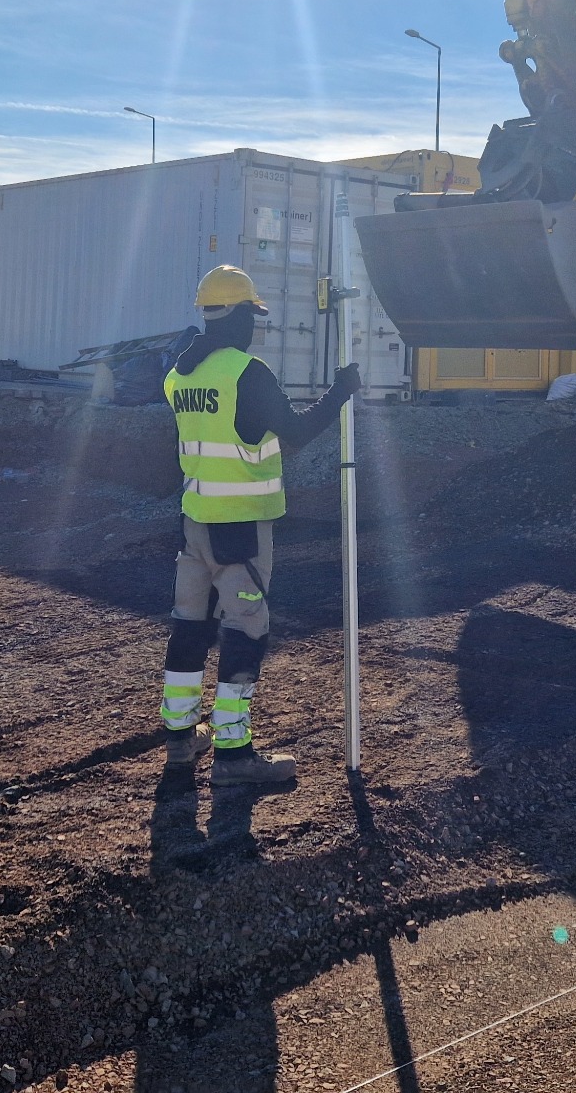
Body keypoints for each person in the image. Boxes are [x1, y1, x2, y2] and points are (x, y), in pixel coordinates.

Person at [158, 265, 359, 785]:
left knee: (190, 627)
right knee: (245, 632)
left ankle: (180, 739)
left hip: (194, 521)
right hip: (240, 529)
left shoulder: (182, 372)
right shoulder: (247, 372)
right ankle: (233, 754)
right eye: (254, 314)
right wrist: (340, 393)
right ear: (243, 314)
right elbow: (295, 431)